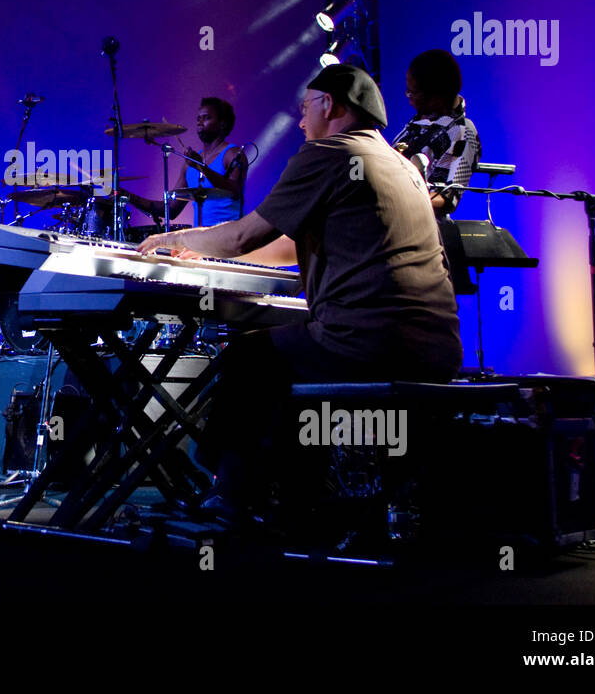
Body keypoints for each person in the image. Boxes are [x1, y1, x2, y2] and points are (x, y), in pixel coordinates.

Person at [137, 64, 462, 513]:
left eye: (306, 107)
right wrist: (209, 255)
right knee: (278, 365)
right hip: (438, 349)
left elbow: (243, 235)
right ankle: (287, 499)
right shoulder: (400, 166)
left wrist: (173, 240)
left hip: (367, 344)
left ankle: (226, 497)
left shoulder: (328, 153)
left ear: (331, 105)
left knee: (248, 358)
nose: (300, 119)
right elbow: (287, 245)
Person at [123, 97, 247, 227]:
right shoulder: (191, 163)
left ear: (223, 124)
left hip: (228, 236)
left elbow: (235, 191)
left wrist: (201, 167)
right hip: (200, 239)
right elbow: (171, 210)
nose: (200, 122)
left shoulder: (232, 154)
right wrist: (127, 196)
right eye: (198, 118)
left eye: (206, 118)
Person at [392, 49, 481, 216]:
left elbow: (446, 198)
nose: (408, 98)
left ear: (437, 96)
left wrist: (390, 199)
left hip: (418, 230)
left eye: (414, 93)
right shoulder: (420, 122)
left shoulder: (462, 132)